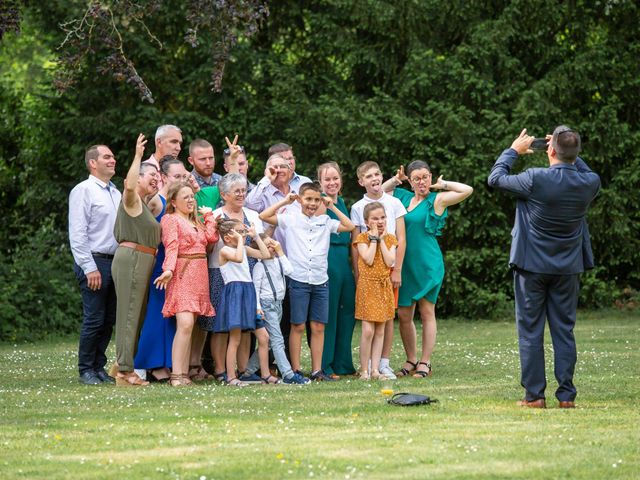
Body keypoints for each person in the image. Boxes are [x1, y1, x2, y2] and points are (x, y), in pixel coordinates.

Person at [488, 127, 600, 408]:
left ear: (550, 150)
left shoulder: (534, 178)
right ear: (576, 154)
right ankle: (566, 397)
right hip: (568, 268)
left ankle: (535, 396)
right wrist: (568, 151)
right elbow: (577, 167)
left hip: (531, 267)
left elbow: (495, 179)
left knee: (530, 331)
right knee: (564, 331)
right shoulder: (590, 182)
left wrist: (513, 150)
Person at [383, 160, 472, 378]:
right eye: (416, 179)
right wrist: (396, 180)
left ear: (430, 177)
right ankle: (411, 358)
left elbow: (467, 190)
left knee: (426, 311)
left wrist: (443, 185)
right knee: (404, 314)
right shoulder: (402, 197)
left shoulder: (437, 200)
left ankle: (425, 361)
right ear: (411, 182)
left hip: (428, 264)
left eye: (425, 177)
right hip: (403, 264)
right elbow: (379, 190)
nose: (421, 182)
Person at [259, 183, 355, 381]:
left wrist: (333, 207)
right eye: (308, 199)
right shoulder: (291, 219)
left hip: (320, 280)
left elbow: (349, 226)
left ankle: (317, 370)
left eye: (316, 200)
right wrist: (286, 201)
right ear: (301, 200)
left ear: (321, 201)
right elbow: (264, 216)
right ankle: (295, 369)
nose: (312, 203)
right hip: (299, 278)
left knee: (319, 326)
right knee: (298, 325)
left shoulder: (325, 221)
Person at [154, 182, 219, 387]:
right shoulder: (170, 219)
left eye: (192, 196)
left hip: (199, 275)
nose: (191, 200)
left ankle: (183, 374)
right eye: (186, 197)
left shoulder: (196, 221)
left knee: (190, 326)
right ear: (174, 202)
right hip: (182, 273)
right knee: (185, 324)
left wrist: (208, 217)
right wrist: (168, 270)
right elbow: (171, 246)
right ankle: (176, 375)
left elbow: (211, 238)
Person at [133, 157, 191, 382]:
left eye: (184, 176)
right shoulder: (156, 200)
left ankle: (168, 363)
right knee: (158, 313)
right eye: (177, 176)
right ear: (164, 177)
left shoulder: (182, 201)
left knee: (173, 316)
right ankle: (149, 363)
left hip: (181, 264)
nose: (182, 179)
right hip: (161, 262)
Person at [111, 134, 161, 386]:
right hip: (131, 258)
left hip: (143, 260)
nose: (154, 180)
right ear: (137, 177)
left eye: (157, 177)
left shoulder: (145, 204)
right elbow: (130, 186)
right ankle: (125, 371)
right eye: (149, 176)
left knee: (137, 314)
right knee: (130, 313)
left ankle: (121, 363)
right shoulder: (131, 199)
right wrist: (139, 156)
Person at [69, 144, 122, 385]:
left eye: (112, 157)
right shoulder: (84, 190)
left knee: (109, 318)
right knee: (94, 317)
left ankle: (99, 367)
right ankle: (86, 369)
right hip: (94, 261)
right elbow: (78, 233)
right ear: (93, 163)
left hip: (115, 261)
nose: (113, 160)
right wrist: (89, 267)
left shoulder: (116, 192)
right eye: (107, 157)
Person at [351, 161, 407, 380]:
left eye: (377, 174)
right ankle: (366, 368)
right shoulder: (358, 208)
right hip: (367, 278)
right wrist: (357, 273)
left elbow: (400, 240)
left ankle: (381, 365)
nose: (374, 179)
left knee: (384, 323)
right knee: (368, 328)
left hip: (387, 272)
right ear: (361, 181)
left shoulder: (393, 203)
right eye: (368, 176)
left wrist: (397, 270)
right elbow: (359, 251)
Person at [206, 173, 263, 381]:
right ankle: (221, 370)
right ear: (224, 194)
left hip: (247, 274)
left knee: (245, 326)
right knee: (221, 326)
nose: (241, 194)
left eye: (243, 190)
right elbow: (208, 244)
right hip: (221, 274)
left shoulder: (252, 215)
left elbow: (258, 243)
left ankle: (243, 369)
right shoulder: (215, 215)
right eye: (236, 191)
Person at [243, 234, 310, 384]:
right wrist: (258, 308)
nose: (271, 248)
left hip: (278, 303)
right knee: (277, 340)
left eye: (272, 244)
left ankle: (248, 371)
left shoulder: (279, 261)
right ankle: (288, 374)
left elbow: (290, 271)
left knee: (270, 343)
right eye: (267, 246)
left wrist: (281, 252)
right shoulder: (260, 266)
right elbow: (256, 288)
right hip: (266, 305)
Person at [214, 219, 271, 387]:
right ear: (228, 237)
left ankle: (266, 374)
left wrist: (256, 237)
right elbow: (238, 259)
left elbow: (265, 255)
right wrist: (240, 241)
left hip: (248, 293)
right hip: (235, 294)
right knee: (235, 338)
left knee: (264, 336)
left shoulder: (244, 249)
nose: (243, 235)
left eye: (243, 232)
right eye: (239, 232)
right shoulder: (224, 250)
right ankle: (231, 377)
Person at [316, 162, 357, 379]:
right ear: (320, 182)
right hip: (328, 259)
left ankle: (343, 363)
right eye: (327, 179)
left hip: (344, 262)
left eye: (335, 178)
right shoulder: (321, 204)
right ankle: (326, 364)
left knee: (347, 312)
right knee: (329, 314)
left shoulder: (341, 202)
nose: (332, 183)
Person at [353, 202, 398, 380]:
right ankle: (364, 369)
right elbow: (369, 259)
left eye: (382, 218)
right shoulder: (362, 239)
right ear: (366, 221)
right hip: (368, 286)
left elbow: (389, 261)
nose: (379, 221)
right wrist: (373, 239)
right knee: (368, 330)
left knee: (380, 330)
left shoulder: (390, 238)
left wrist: (381, 240)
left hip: (383, 286)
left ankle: (375, 369)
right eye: (374, 219)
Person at [142, 124, 183, 190]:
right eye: (174, 142)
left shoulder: (182, 171)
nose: (179, 148)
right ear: (159, 142)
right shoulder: (142, 170)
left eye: (180, 143)